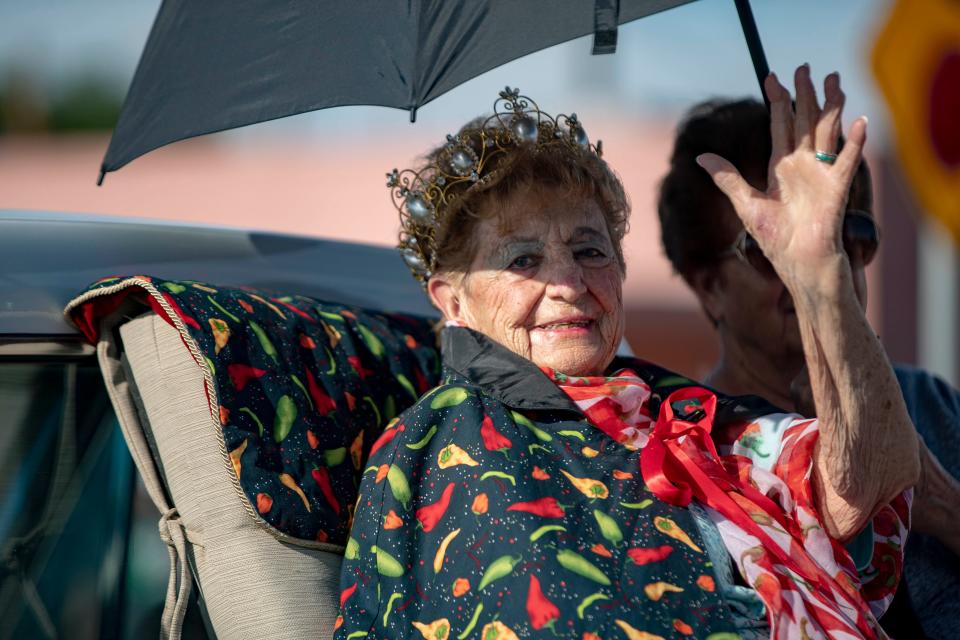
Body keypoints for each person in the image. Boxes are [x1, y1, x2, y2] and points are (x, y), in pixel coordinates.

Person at [336, 69, 920, 640]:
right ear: (453, 301)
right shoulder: (436, 447)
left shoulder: (680, 412)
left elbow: (866, 481)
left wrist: (820, 274)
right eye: (523, 260)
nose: (568, 283)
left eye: (591, 250)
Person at [657, 96, 960, 637]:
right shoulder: (691, 454)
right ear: (710, 288)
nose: (820, 260)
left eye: (849, 235)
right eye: (770, 247)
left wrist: (936, 500)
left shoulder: (930, 404)